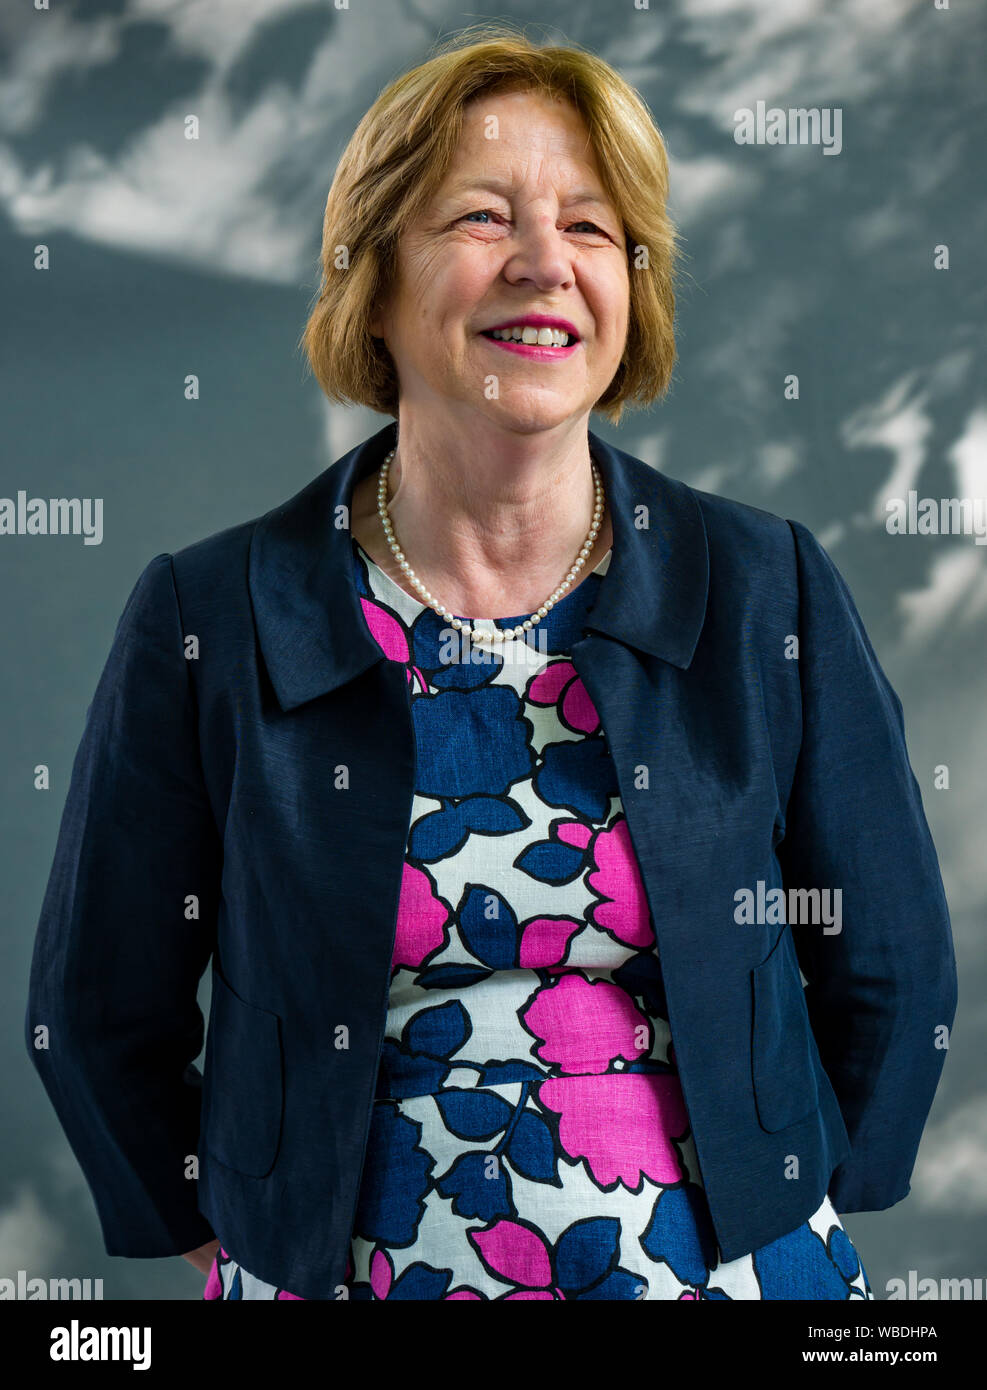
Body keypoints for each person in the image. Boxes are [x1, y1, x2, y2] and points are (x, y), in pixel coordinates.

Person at [26, 25, 957, 1302]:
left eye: (590, 226)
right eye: (481, 216)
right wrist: (249, 1243)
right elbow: (96, 1003)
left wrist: (792, 1213)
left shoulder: (761, 587)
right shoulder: (213, 611)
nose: (544, 265)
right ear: (376, 277)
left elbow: (889, 957)